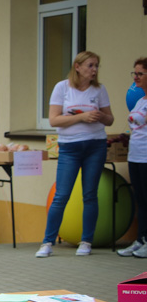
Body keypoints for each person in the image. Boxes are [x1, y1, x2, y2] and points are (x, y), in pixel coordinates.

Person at [36, 51, 114, 258]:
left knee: (90, 194)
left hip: (95, 145)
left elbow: (110, 120)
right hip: (69, 147)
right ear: (77, 67)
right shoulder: (62, 88)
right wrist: (82, 117)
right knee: (61, 195)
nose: (94, 70)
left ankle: (86, 241)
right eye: (90, 65)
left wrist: (100, 116)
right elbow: (54, 120)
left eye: (96, 65)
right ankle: (47, 242)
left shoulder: (99, 89)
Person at [120, 57, 147, 258]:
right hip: (135, 156)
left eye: (140, 74)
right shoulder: (140, 100)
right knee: (140, 200)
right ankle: (140, 240)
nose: (135, 78)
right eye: (134, 73)